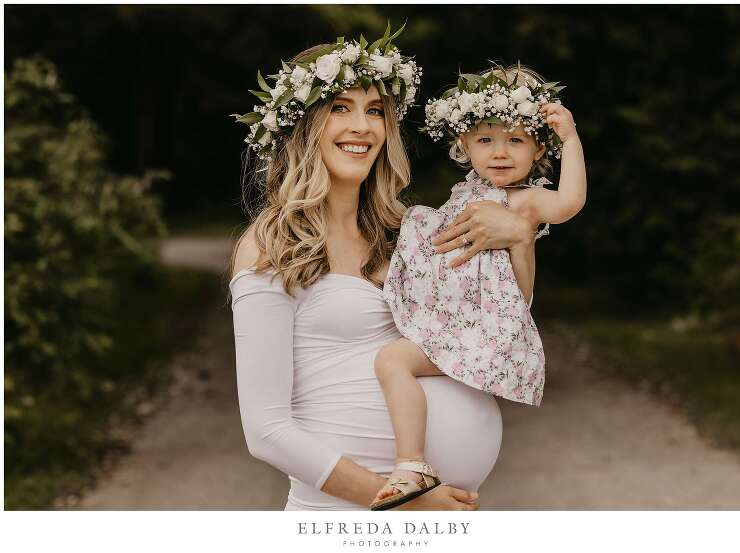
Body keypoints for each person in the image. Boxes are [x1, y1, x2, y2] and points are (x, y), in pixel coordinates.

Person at [228, 27, 541, 510]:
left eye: (375, 111)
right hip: (342, 515)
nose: (363, 126)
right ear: (302, 125)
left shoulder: (407, 235)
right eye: (340, 108)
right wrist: (403, 501)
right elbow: (266, 432)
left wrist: (519, 235)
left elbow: (501, 317)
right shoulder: (271, 247)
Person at [369, 64, 587, 510]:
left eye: (516, 140)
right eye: (486, 139)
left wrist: (571, 139)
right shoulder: (466, 193)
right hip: (458, 318)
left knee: (393, 360)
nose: (500, 153)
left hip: (485, 328)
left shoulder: (525, 201)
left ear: (537, 147)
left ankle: (411, 463)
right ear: (464, 145)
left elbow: (570, 203)